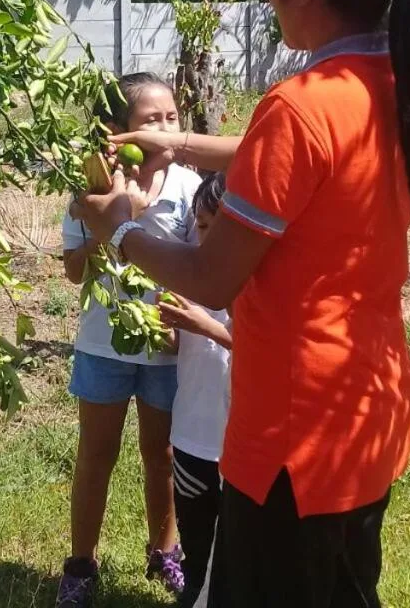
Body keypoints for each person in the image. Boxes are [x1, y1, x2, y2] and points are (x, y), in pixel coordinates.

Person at [74, 0, 410, 608]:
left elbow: (211, 278)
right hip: (369, 407)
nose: (271, 6)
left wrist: (119, 226)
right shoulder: (394, 83)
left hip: (292, 439)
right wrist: (177, 143)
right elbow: (286, 155)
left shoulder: (298, 108)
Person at [57, 72, 203, 607]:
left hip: (166, 351)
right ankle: (80, 563)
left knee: (161, 454)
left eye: (172, 118)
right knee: (96, 453)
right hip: (102, 348)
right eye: (151, 121)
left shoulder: (190, 189)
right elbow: (74, 272)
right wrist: (116, 220)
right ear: (117, 132)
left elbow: (199, 267)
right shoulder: (90, 189)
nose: (165, 129)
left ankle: (164, 551)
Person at [156, 171, 232, 608]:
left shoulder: (256, 285)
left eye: (213, 226)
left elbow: (267, 351)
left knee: (239, 553)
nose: (203, 237)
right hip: (191, 438)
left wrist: (208, 326)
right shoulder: (188, 280)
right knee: (198, 547)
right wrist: (162, 327)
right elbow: (180, 347)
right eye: (199, 226)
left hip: (239, 450)